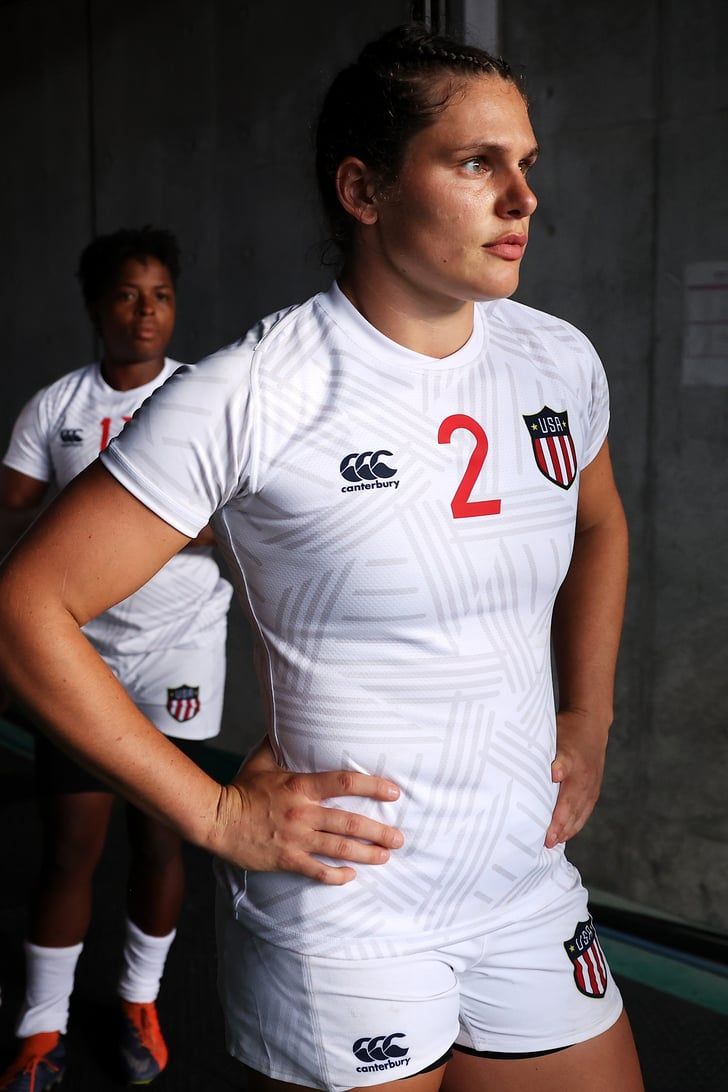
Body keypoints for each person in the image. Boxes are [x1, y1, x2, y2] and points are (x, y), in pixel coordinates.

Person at [0, 23, 643, 1092]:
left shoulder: (555, 357)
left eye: (525, 164)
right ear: (363, 189)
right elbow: (27, 611)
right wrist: (212, 814)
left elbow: (600, 524)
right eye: (475, 162)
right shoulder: (253, 391)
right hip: (350, 907)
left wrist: (590, 715)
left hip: (522, 882)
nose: (522, 198)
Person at [0, 227, 237, 1089]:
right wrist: (82, 524)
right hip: (77, 655)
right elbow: (11, 516)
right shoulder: (55, 407)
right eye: (129, 295)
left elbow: (238, 519)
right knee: (70, 847)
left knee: (163, 843)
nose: (146, 311)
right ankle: (39, 1028)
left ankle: (140, 999)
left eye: (162, 295)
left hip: (179, 655)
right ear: (98, 307)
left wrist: (148, 519)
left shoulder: (205, 399)